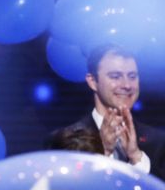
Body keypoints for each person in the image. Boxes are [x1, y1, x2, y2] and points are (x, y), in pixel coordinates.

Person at [46, 44, 165, 181]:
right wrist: (102, 152)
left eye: (132, 76)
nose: (127, 85)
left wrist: (136, 157)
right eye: (115, 76)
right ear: (92, 81)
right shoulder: (62, 141)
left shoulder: (160, 142)